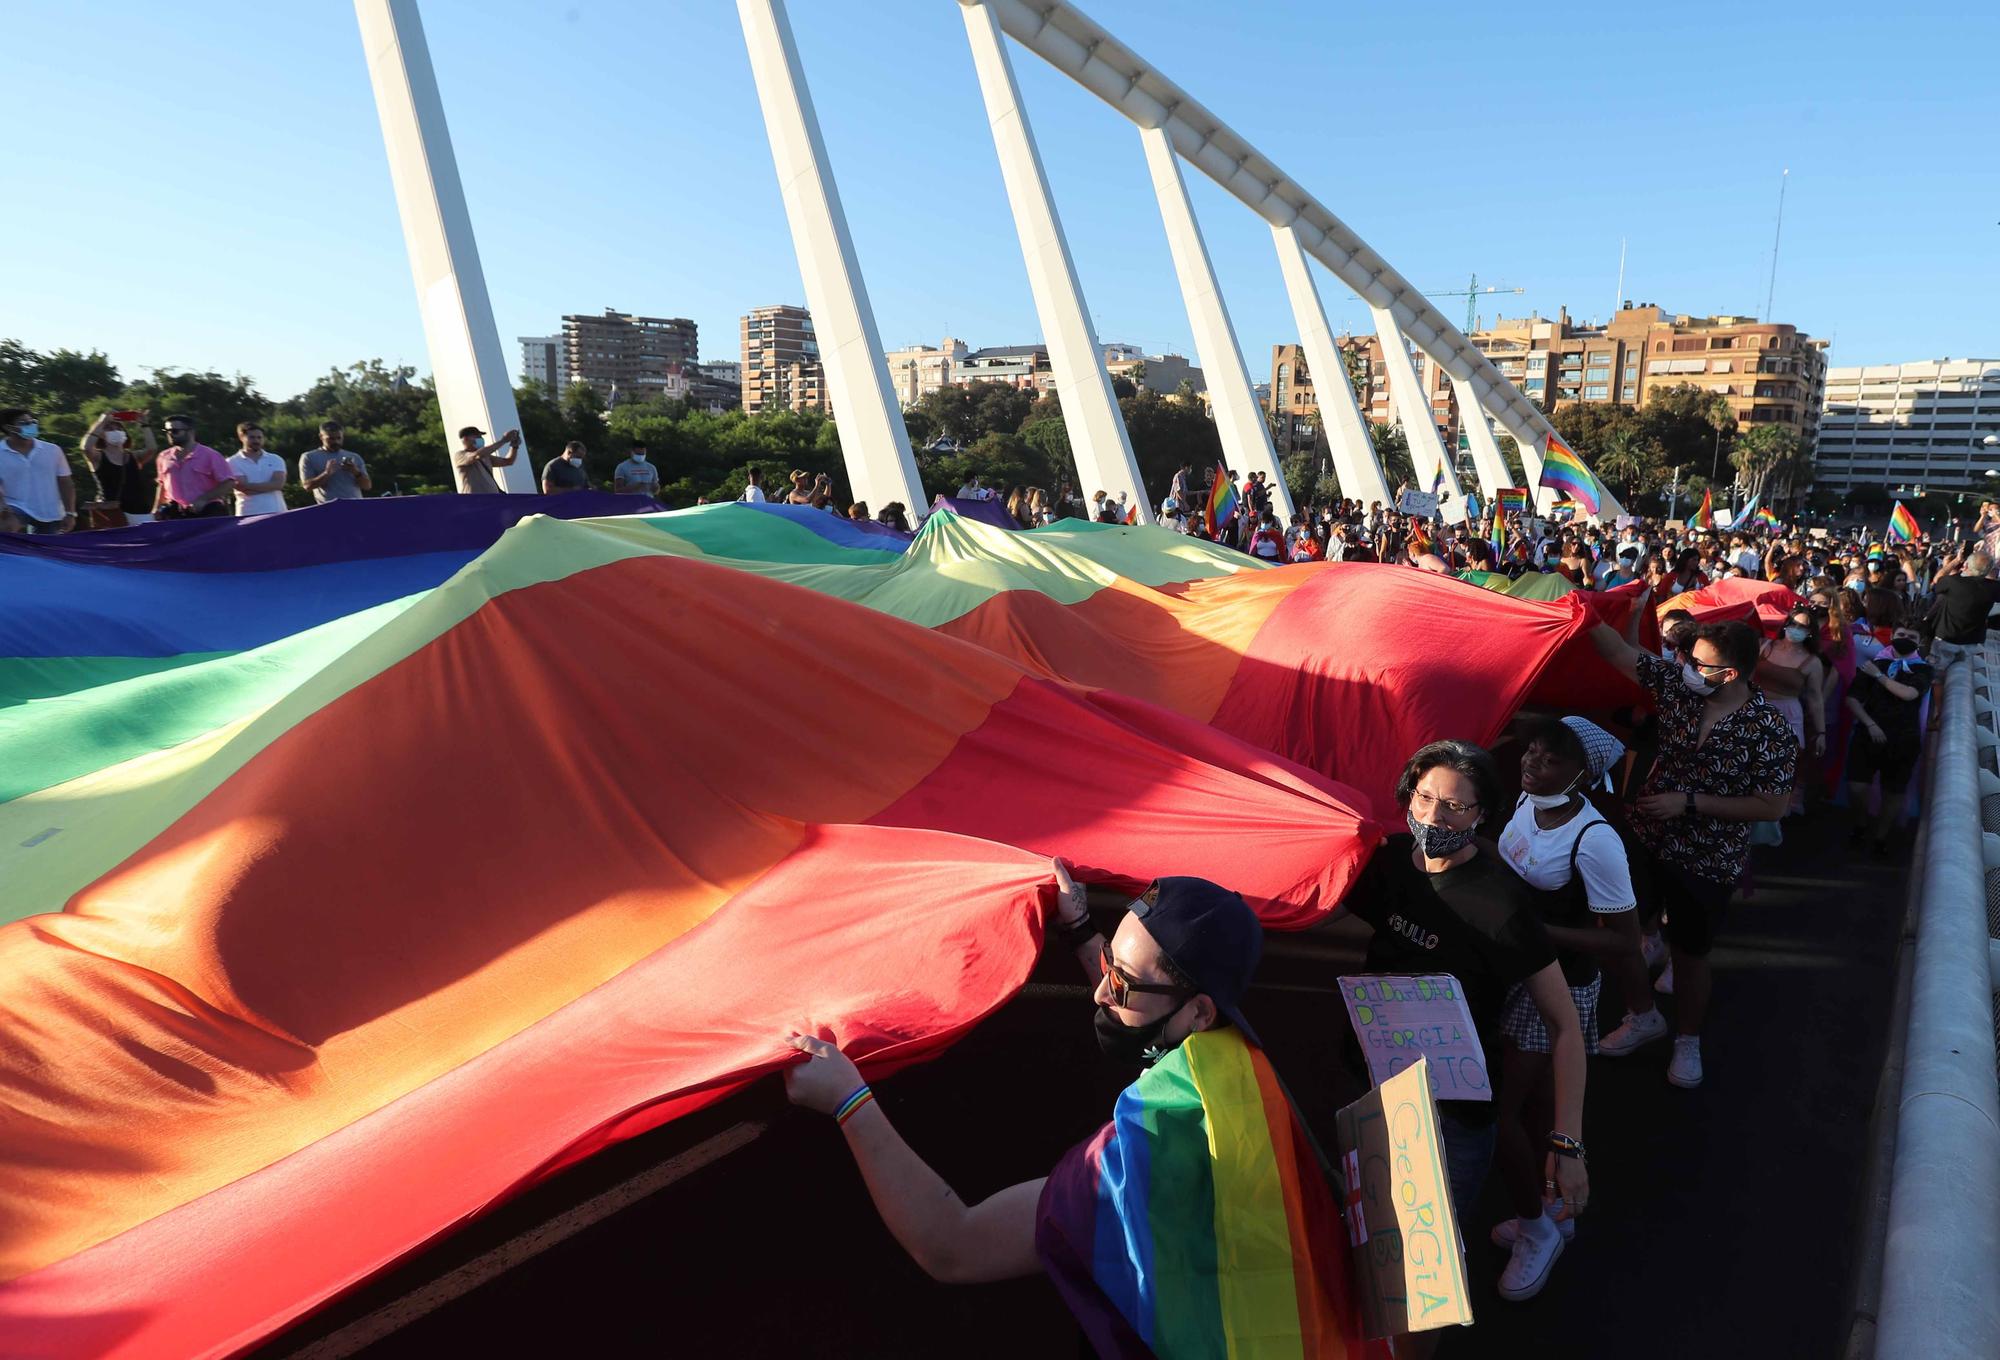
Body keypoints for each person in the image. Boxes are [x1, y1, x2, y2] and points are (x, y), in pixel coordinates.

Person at [781, 865, 1368, 1355]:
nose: (1100, 992)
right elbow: (1144, 1011)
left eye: (1121, 981)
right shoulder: (1236, 1068)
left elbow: (951, 1244)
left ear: (1199, 1013)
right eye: (1108, 964)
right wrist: (1085, 930)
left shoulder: (1135, 1163)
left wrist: (847, 1099)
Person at [1342, 738, 1589, 1292]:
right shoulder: (1387, 864)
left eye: (1454, 806)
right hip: (1376, 1085)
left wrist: (1568, 1144)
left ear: (1482, 815)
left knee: (1426, 1271)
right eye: (1424, 798)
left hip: (1451, 1110)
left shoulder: (1501, 906)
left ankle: (1536, 1235)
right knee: (1379, 1235)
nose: (1433, 817)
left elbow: (1565, 1025)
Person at [1589, 615, 1795, 1087]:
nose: (1686, 667)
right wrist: (1576, 604)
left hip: (1708, 855)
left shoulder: (1770, 730)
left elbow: (1771, 806)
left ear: (1734, 673)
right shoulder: (1681, 689)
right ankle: (1642, 1016)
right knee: (1621, 930)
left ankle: (1687, 1040)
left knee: (1690, 953)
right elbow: (1618, 652)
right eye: (1686, 657)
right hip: (1645, 835)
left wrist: (1687, 803)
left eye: (1700, 663)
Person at [1491, 717, 1639, 1292]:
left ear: (1581, 774)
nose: (1531, 763)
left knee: (1503, 1111)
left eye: (1550, 760)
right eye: (1532, 751)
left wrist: (1540, 932)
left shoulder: (1596, 840)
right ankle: (1553, 1212)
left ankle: (1539, 1230)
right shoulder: (1527, 803)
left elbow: (1624, 942)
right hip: (1511, 971)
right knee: (1534, 1110)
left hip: (1559, 986)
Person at [1844, 623, 1933, 855]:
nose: (1905, 638)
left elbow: (1909, 694)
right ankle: (1861, 823)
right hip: (1868, 733)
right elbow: (1853, 698)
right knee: (1856, 786)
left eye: (1911, 636)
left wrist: (1879, 677)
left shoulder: (1923, 670)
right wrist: (1869, 723)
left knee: (1893, 791)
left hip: (1903, 739)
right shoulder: (1875, 665)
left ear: (1920, 642)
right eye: (1901, 634)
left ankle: (1880, 837)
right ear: (1892, 636)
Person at [0, 408, 78, 533]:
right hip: (16, 506)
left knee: (46, 548)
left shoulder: (52, 450)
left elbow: (66, 482)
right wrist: (3, 508)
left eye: (32, 422)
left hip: (49, 511)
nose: (30, 425)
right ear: (9, 428)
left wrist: (70, 513)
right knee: (7, 526)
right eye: (24, 423)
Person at [80, 410, 157, 524]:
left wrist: (145, 425)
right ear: (101, 434)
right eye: (109, 429)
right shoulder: (99, 457)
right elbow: (86, 448)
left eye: (119, 429)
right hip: (112, 513)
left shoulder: (133, 456)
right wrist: (101, 422)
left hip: (140, 511)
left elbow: (152, 449)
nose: (115, 431)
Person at [1926, 546, 2000, 662]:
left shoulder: (1953, 582)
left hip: (1946, 638)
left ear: (1966, 565)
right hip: (1972, 641)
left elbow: (1937, 580)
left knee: (1936, 673)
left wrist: (1956, 561)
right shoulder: (1994, 588)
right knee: (1962, 672)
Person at [153, 416, 236, 519]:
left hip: (207, 511)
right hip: (175, 513)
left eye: (175, 431)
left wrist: (203, 499)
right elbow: (161, 485)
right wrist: (156, 508)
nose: (170, 434)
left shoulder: (210, 455)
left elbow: (229, 482)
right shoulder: (163, 457)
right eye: (167, 431)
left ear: (190, 432)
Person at [226, 422, 290, 516]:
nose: (256, 441)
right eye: (252, 437)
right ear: (241, 437)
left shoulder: (275, 459)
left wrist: (249, 486)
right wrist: (270, 486)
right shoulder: (232, 462)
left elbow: (278, 484)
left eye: (259, 437)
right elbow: (243, 487)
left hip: (277, 512)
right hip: (248, 514)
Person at [300, 422, 371, 503]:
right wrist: (326, 474)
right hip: (329, 509)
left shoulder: (355, 457)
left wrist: (355, 471)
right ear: (321, 437)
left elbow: (367, 486)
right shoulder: (309, 457)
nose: (336, 442)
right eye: (331, 439)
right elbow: (307, 486)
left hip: (356, 507)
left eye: (339, 438)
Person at [453, 426, 521, 494]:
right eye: (477, 436)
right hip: (474, 501)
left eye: (481, 437)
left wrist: (514, 447)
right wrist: (503, 440)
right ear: (465, 439)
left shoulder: (486, 456)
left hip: (492, 499)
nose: (481, 439)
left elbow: (508, 461)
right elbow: (477, 455)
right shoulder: (460, 455)